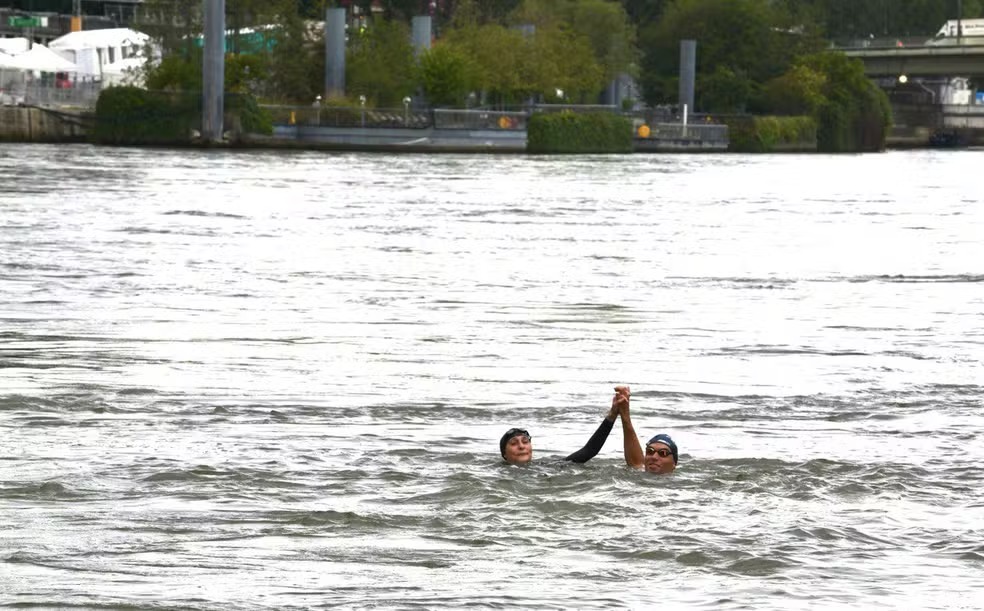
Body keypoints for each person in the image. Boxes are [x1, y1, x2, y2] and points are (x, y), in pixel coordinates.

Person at [499, 394, 620, 465]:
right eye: (514, 443)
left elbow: (588, 451)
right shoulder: (497, 473)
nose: (521, 446)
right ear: (504, 454)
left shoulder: (547, 466)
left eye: (525, 442)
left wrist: (612, 416)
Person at [613, 385, 679, 474]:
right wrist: (624, 413)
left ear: (674, 464)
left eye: (663, 453)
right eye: (650, 451)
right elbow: (636, 463)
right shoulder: (639, 474)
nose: (654, 457)